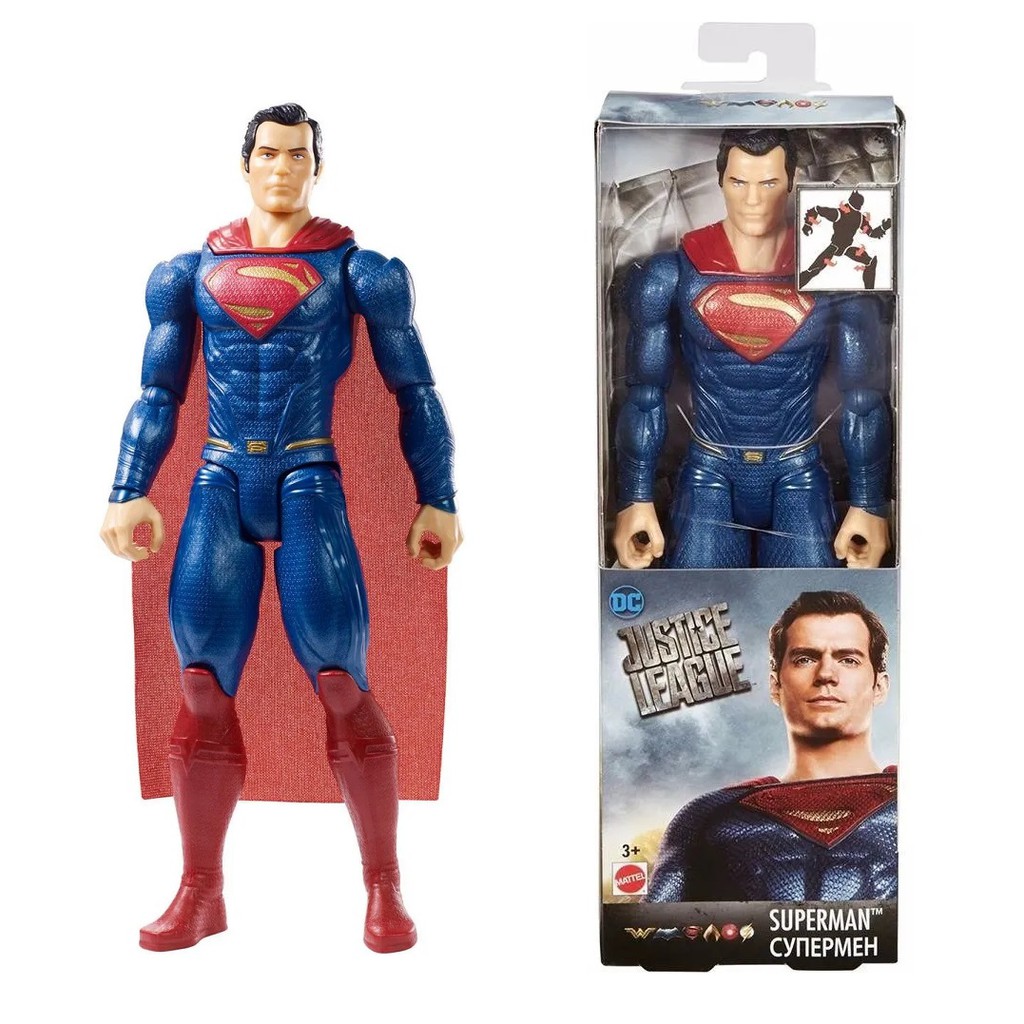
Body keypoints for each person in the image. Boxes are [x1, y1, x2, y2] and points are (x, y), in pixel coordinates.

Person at [100, 103, 461, 953]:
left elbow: (415, 390)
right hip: (221, 475)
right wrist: (127, 487)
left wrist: (438, 495)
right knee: (200, 681)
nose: (282, 169)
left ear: (316, 167)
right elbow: (158, 391)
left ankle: (385, 889)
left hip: (308, 475)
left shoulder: (359, 270)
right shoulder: (187, 272)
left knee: (340, 678)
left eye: (298, 155)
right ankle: (200, 891)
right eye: (268, 153)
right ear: (245, 162)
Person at [613, 129, 891, 569]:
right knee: (695, 602)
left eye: (769, 183)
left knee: (813, 600)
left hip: (797, 470)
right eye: (739, 182)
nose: (754, 200)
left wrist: (869, 503)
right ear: (721, 181)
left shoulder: (836, 274)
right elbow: (645, 397)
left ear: (792, 182)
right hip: (709, 472)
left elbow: (864, 400)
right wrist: (635, 497)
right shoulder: (673, 275)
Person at [647, 591, 897, 902]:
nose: (826, 675)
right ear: (775, 686)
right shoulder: (708, 818)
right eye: (805, 659)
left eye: (848, 659)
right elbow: (647, 929)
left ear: (879, 686)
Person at [799, 190, 892, 289]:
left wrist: (883, 227)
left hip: (847, 248)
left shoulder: (859, 217)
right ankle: (797, 285)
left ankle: (869, 291)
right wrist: (808, 224)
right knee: (813, 270)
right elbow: (816, 209)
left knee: (870, 262)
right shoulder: (840, 213)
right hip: (835, 247)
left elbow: (871, 233)